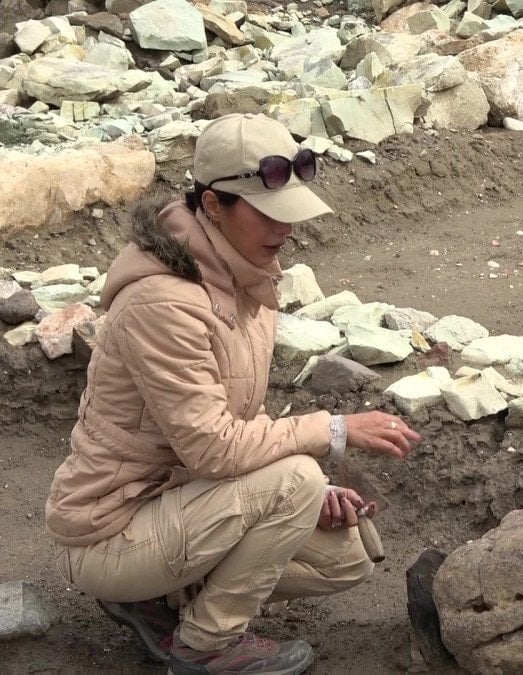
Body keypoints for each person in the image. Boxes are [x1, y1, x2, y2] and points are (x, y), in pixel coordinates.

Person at [44, 113, 423, 675]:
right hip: (110, 531)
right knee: (297, 479)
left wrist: (308, 495)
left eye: (288, 211)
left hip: (180, 504)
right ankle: (204, 645)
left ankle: (158, 601)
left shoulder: (246, 278)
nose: (284, 227)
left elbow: (239, 420)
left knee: (348, 555)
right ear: (213, 205)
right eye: (266, 212)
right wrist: (332, 432)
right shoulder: (164, 302)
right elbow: (213, 448)